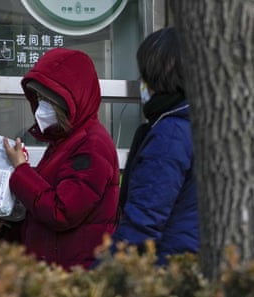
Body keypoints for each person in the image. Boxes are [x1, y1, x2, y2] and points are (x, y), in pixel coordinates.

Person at [1, 48, 120, 271]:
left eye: (49, 101)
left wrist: (21, 170)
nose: (41, 108)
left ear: (72, 102)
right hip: (57, 268)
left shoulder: (92, 145)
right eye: (39, 99)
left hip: (74, 272)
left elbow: (62, 211)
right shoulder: (65, 141)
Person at [111, 27, 199, 265]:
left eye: (145, 74)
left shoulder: (171, 132)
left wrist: (101, 276)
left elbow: (143, 220)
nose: (141, 82)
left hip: (169, 266)